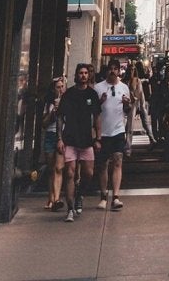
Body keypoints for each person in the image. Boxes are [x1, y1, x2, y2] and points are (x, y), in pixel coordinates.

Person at [58, 63, 100, 220]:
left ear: (88, 76)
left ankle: (80, 194)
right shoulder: (68, 94)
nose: (83, 75)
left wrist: (98, 138)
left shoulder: (92, 95)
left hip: (87, 140)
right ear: (76, 75)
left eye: (85, 73)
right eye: (80, 73)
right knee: (69, 173)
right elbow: (60, 117)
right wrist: (59, 139)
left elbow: (97, 117)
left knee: (88, 173)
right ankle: (70, 208)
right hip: (70, 139)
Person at [94, 59, 132, 210]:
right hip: (102, 131)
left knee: (118, 160)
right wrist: (101, 101)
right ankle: (103, 195)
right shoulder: (98, 88)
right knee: (103, 164)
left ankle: (115, 196)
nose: (113, 71)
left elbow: (127, 111)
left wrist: (127, 104)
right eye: (111, 68)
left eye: (116, 69)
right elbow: (94, 111)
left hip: (118, 130)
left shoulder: (124, 88)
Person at [41, 75, 65, 210]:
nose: (60, 89)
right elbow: (44, 123)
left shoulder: (68, 101)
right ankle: (50, 197)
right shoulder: (49, 104)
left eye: (62, 87)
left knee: (58, 168)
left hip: (62, 136)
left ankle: (56, 199)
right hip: (50, 134)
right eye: (58, 87)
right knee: (51, 169)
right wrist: (52, 113)